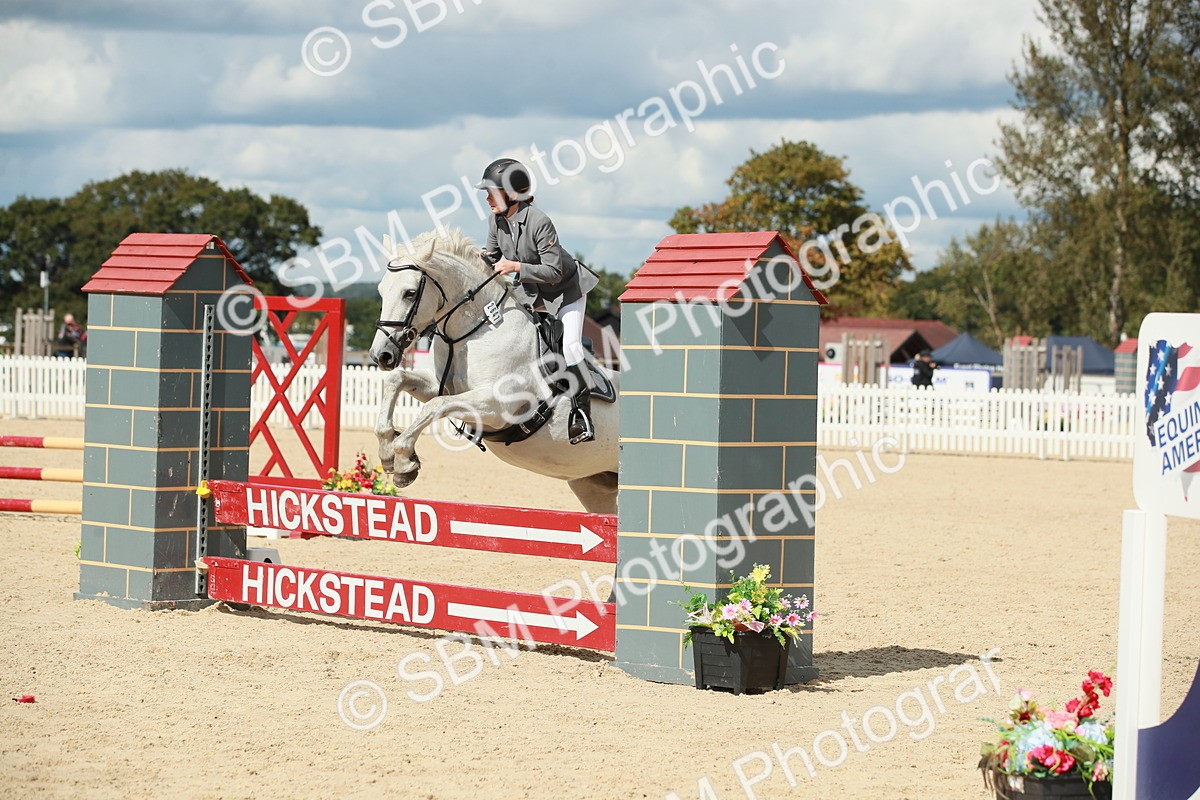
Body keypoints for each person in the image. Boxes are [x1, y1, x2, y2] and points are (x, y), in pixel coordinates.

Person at [477, 157, 599, 444]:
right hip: (531, 292)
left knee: (569, 346)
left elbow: (553, 272)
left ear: (512, 194)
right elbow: (494, 257)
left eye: (492, 192)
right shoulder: (497, 220)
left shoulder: (540, 221)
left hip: (565, 291)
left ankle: (582, 417)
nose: (487, 199)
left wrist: (516, 267)